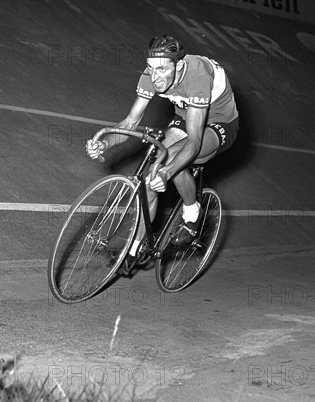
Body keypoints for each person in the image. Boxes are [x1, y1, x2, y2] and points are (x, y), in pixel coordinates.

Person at [86, 35, 239, 266]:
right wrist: (105, 143)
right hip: (185, 115)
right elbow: (129, 124)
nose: (155, 78)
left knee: (172, 162)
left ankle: (192, 213)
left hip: (219, 123)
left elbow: (195, 141)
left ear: (178, 65)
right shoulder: (152, 75)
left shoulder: (198, 75)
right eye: (150, 69)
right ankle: (134, 250)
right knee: (150, 179)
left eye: (161, 70)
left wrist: (167, 173)